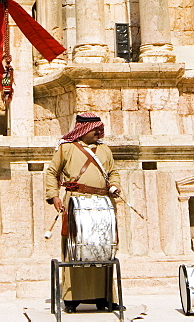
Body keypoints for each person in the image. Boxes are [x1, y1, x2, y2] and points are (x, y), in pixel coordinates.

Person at [43, 112, 121, 313]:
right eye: (95, 129)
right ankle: (72, 298)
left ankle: (104, 297)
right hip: (75, 203)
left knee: (103, 246)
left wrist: (114, 185)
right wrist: (54, 196)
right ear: (84, 129)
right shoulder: (66, 148)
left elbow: (113, 172)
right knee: (75, 248)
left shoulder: (104, 150)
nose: (99, 132)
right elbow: (52, 172)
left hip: (102, 202)